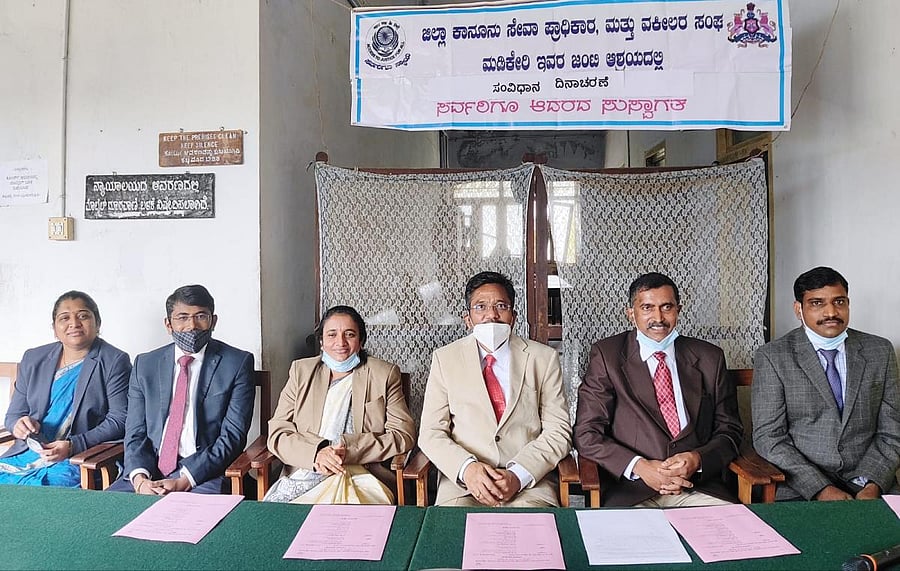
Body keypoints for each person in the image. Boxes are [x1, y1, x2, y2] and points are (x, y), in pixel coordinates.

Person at [574, 272, 743, 507]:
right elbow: (587, 433)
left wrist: (697, 459)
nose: (658, 317)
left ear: (678, 310)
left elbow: (730, 430)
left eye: (666, 307)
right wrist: (639, 466)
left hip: (697, 487)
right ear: (631, 313)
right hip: (632, 490)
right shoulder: (607, 356)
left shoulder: (709, 358)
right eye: (647, 308)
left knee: (733, 537)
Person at [418, 271, 572, 507]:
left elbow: (558, 431)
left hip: (529, 484)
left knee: (533, 538)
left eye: (501, 306)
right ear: (467, 319)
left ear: (513, 317)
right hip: (464, 485)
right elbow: (430, 433)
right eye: (480, 307)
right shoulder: (445, 359)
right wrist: (467, 469)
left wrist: (518, 475)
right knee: (451, 537)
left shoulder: (543, 358)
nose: (491, 315)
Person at [753, 266, 900, 501]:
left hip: (872, 483)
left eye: (839, 302)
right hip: (801, 487)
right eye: (817, 303)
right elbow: (769, 438)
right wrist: (821, 488)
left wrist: (872, 483)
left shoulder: (879, 351)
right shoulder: (773, 356)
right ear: (798, 309)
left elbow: (892, 431)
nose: (831, 312)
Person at [108, 284, 254, 495]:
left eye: (201, 316)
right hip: (149, 470)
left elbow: (232, 436)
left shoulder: (237, 363)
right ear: (168, 325)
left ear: (213, 321)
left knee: (188, 524)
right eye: (182, 317)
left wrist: (185, 480)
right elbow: (135, 432)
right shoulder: (145, 364)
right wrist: (140, 479)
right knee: (105, 517)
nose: (192, 326)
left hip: (204, 473)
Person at [264, 305, 416, 504]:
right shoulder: (301, 372)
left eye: (349, 334)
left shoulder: (384, 374)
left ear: (361, 341)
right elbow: (278, 433)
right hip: (307, 471)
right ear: (321, 341)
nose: (340, 343)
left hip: (363, 475)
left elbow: (403, 435)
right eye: (332, 335)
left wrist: (350, 449)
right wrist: (316, 454)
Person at [1, 291, 131, 486]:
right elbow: (13, 415)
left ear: (98, 322)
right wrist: (19, 425)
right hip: (28, 452)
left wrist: (73, 445)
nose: (74, 323)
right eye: (65, 318)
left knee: (54, 486)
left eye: (83, 316)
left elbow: (119, 419)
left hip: (79, 456)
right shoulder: (34, 359)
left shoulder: (114, 361)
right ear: (54, 328)